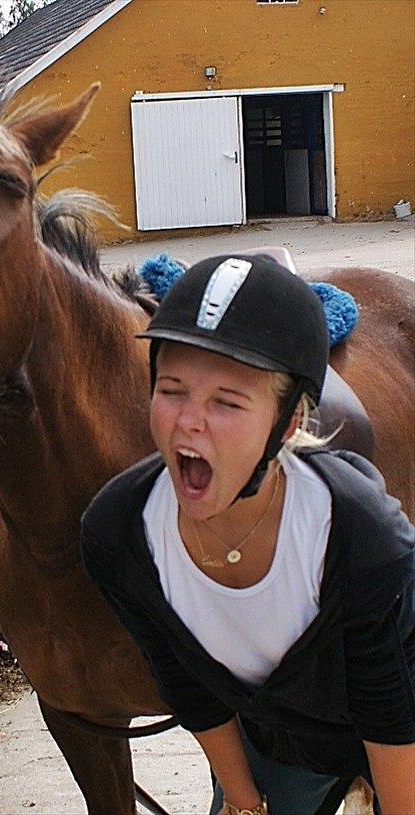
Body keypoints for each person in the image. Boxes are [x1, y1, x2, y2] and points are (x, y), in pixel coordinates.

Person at [80, 254, 415, 815]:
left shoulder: (359, 533)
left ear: (287, 425)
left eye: (227, 402)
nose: (189, 421)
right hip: (284, 742)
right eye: (172, 388)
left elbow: (390, 706)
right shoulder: (119, 533)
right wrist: (244, 803)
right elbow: (186, 686)